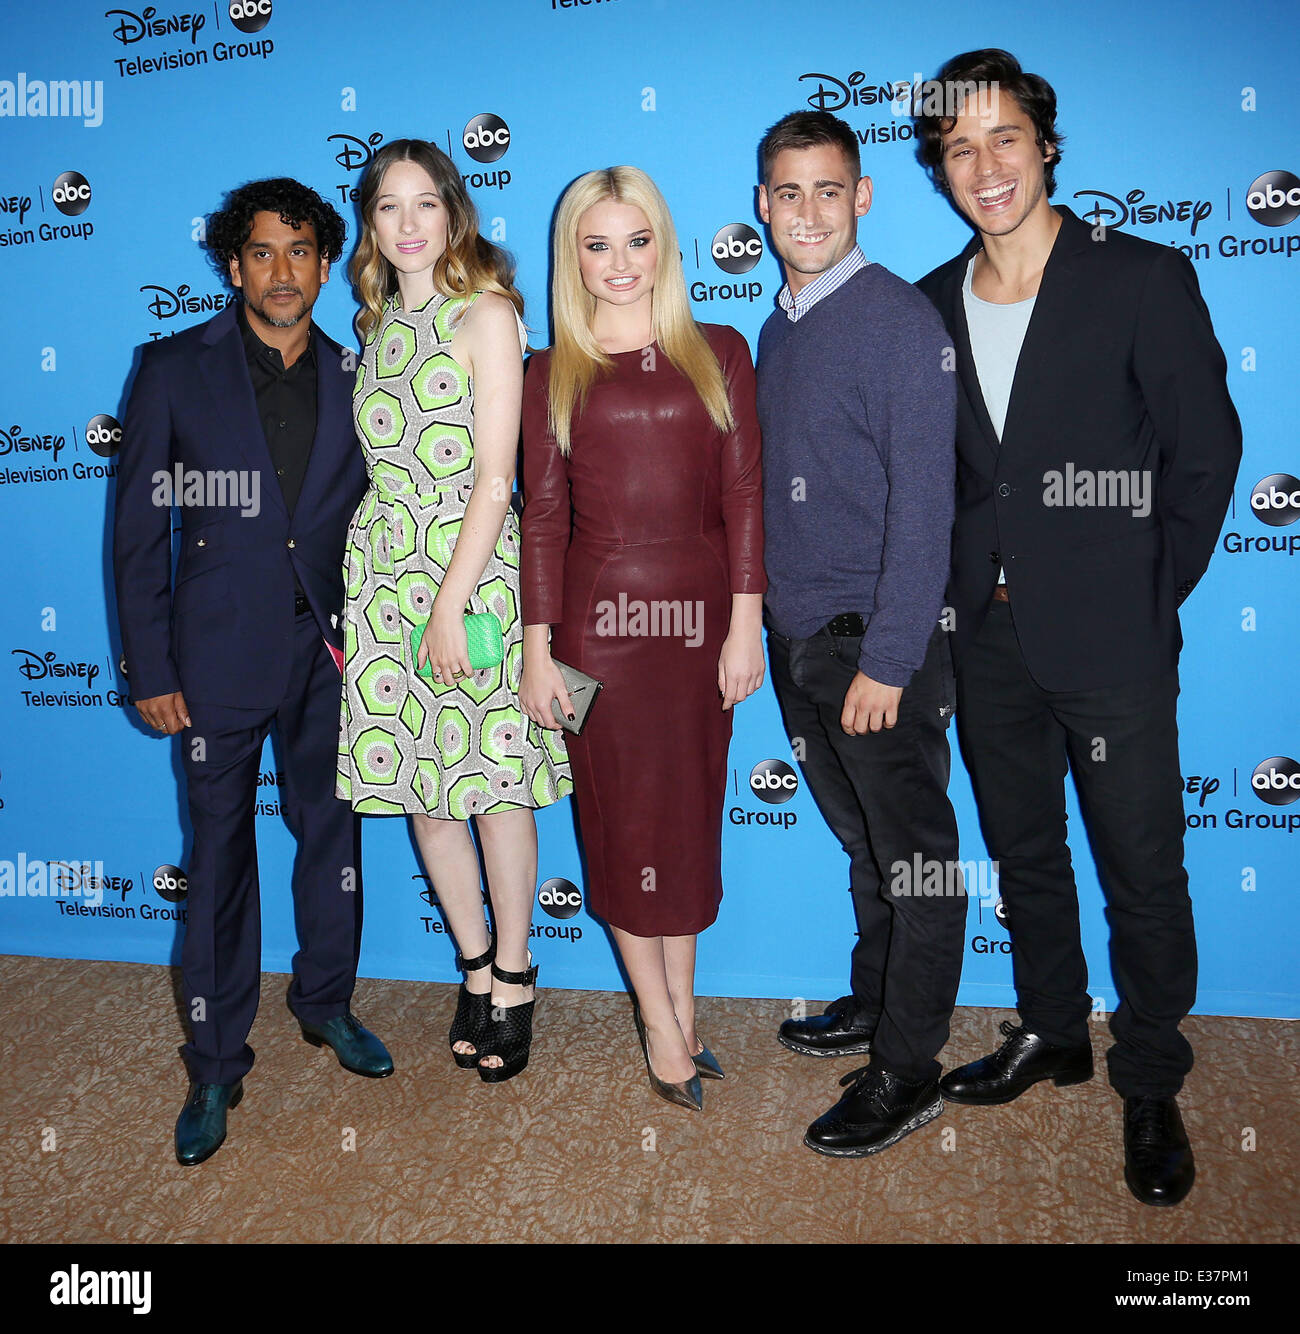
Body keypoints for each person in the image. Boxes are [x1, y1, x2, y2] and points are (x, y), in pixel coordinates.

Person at [913, 49, 1241, 1205]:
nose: (985, 165)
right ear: (939, 168)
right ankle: (1052, 1027)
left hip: (1112, 640)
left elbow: (1205, 456)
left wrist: (1148, 595)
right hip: (986, 641)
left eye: (1004, 137)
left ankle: (1148, 1074)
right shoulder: (927, 302)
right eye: (959, 147)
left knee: (1143, 869)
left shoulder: (1137, 275)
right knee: (1026, 855)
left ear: (1046, 145)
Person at [114, 178, 392, 1167]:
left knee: (334, 841)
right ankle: (215, 1058)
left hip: (331, 656)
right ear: (233, 265)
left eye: (303, 251)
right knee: (219, 859)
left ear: (326, 262)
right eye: (264, 253)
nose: (284, 272)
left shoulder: (362, 373)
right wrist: (149, 663)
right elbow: (138, 534)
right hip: (214, 659)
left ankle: (327, 1002)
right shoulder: (171, 371)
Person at [519, 166, 765, 1112]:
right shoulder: (551, 372)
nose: (618, 264)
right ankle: (661, 1028)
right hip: (593, 638)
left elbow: (745, 499)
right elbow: (542, 520)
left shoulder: (722, 351)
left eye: (637, 240)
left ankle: (684, 1006)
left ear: (663, 245)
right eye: (596, 244)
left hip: (703, 630)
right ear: (571, 256)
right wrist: (541, 653)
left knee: (688, 817)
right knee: (621, 825)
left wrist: (745, 627)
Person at [337, 139, 571, 1084]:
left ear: (453, 212)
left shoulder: (489, 315)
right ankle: (473, 968)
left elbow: (493, 478)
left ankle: (516, 977)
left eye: (423, 204)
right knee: (423, 792)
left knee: (495, 785)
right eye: (387, 207)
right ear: (371, 223)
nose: (407, 224)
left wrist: (451, 603)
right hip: (383, 580)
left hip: (470, 579)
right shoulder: (375, 323)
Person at [755, 110, 964, 1157]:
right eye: (787, 193)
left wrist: (887, 658)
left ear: (862, 195)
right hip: (802, 643)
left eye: (826, 190)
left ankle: (908, 1065)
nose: (807, 212)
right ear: (761, 205)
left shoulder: (896, 321)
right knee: (866, 847)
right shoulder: (780, 323)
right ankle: (878, 1001)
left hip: (878, 645)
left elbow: (927, 508)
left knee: (917, 860)